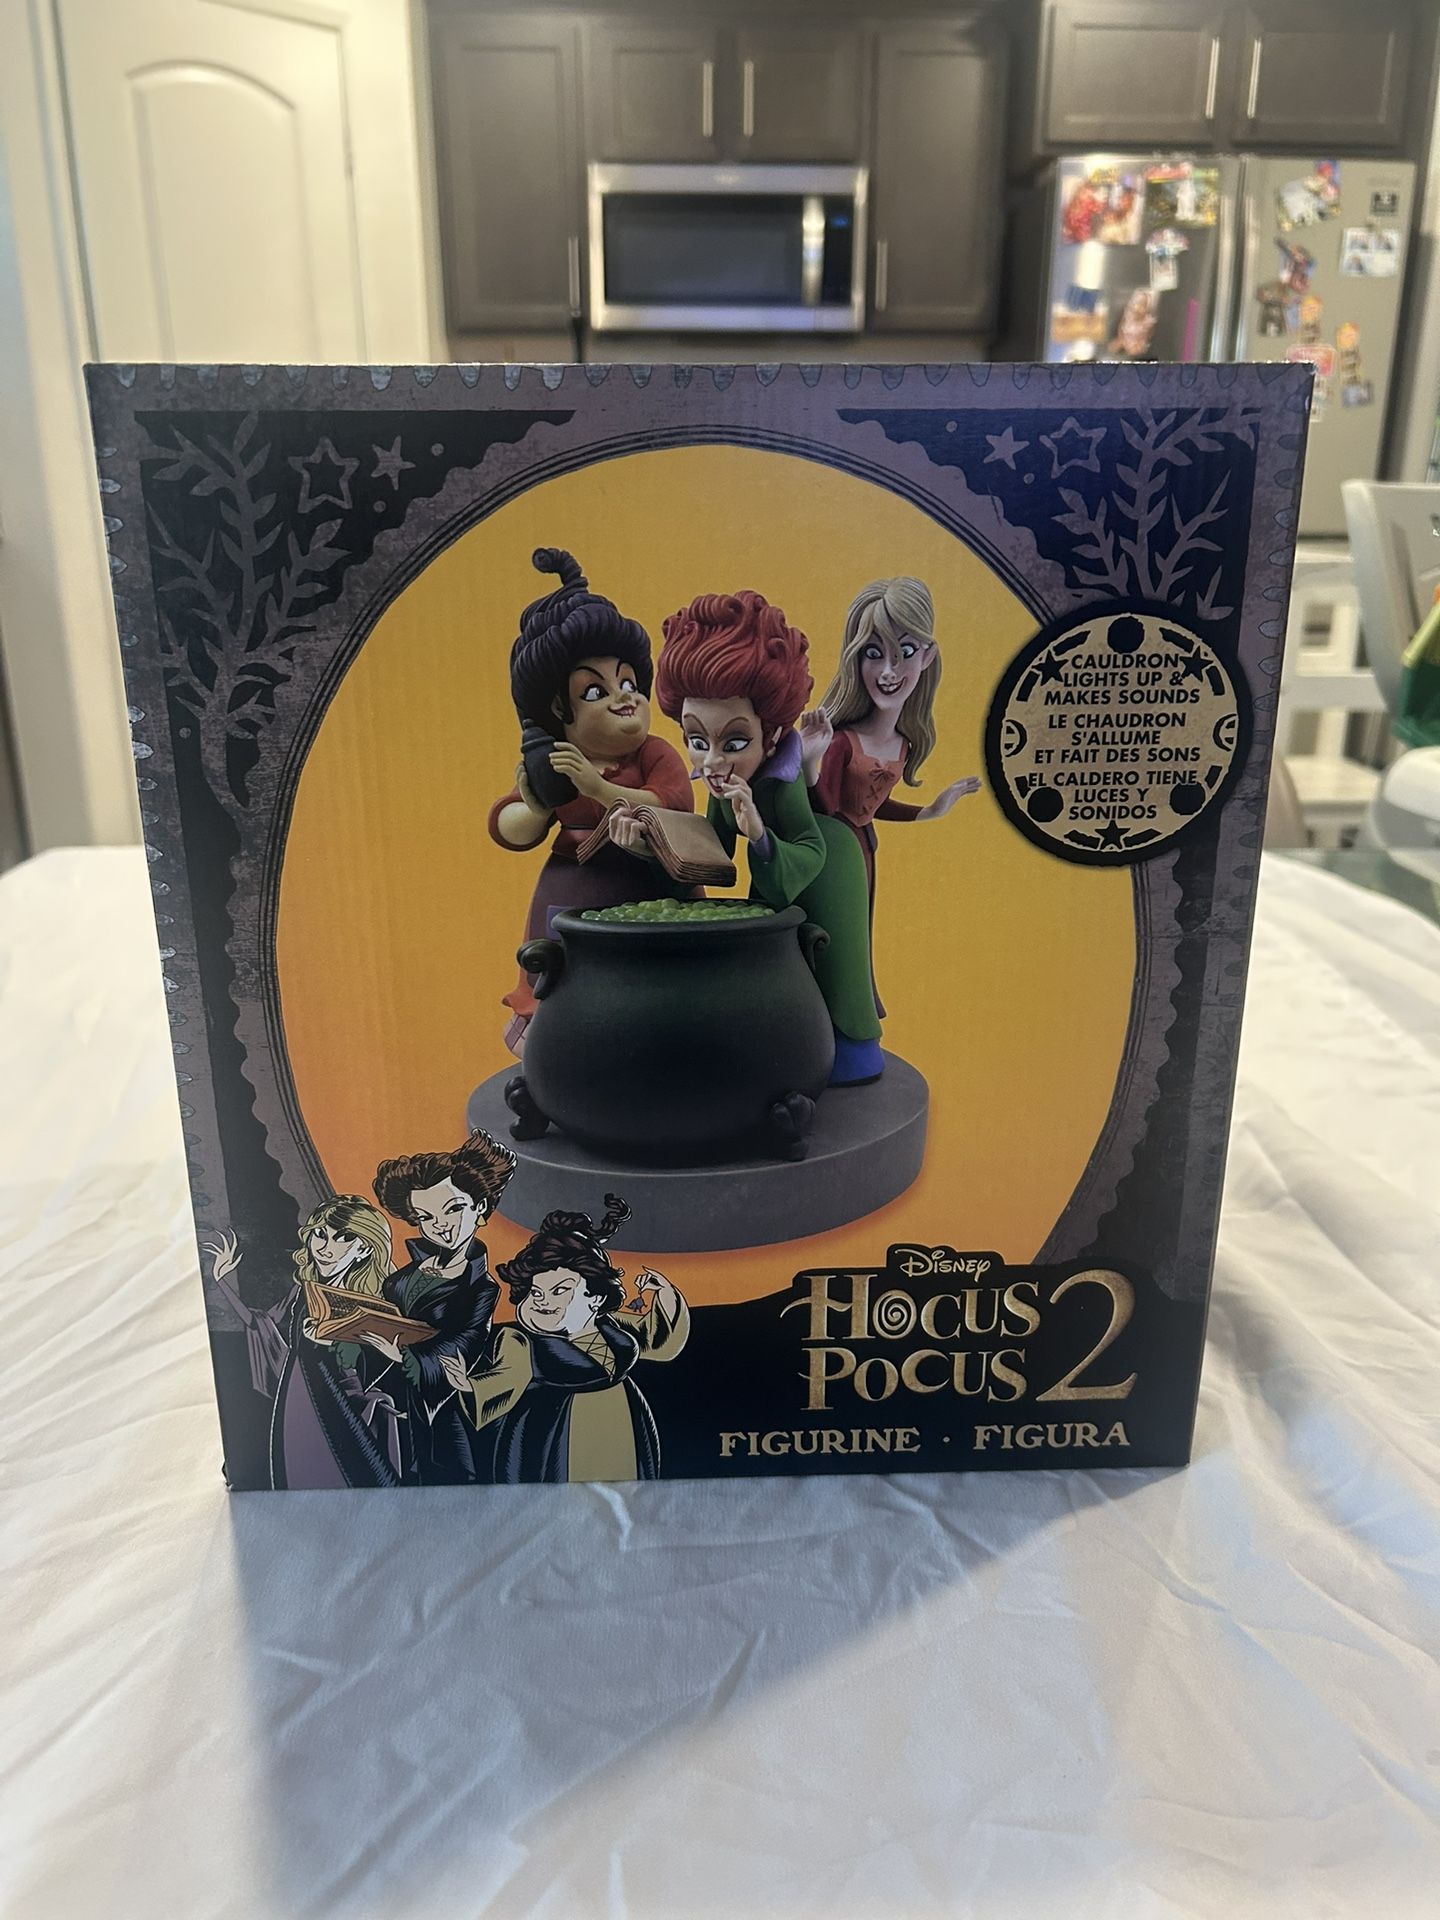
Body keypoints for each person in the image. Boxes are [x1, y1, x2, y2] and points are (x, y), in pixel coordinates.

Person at [631, 587, 882, 1083]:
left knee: (836, 965)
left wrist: (760, 833)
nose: (712, 761)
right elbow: (715, 849)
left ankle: (853, 1052)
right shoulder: (722, 781)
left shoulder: (783, 783)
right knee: (774, 964)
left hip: (827, 864)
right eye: (696, 740)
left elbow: (809, 846)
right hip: (778, 875)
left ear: (771, 736)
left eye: (734, 742)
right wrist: (649, 841)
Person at [488, 548, 696, 1053]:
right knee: (565, 997)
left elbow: (673, 806)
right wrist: (538, 806)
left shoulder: (655, 753)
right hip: (572, 896)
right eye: (596, 691)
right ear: (559, 711)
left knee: (660, 1004)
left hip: (653, 894)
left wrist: (600, 789)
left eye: (628, 682)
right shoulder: (560, 758)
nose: (624, 697)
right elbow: (507, 825)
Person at [798, 577, 980, 1021]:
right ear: (856, 658)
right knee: (834, 935)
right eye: (873, 653)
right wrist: (809, 762)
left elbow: (874, 806)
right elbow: (825, 808)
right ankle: (827, 1016)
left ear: (928, 656)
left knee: (858, 934)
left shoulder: (904, 744)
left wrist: (931, 810)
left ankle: (853, 1011)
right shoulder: (840, 741)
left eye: (905, 652)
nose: (888, 672)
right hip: (831, 856)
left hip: (865, 852)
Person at [441, 1197, 688, 1483]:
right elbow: (508, 1376)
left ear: (595, 1297)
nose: (543, 1301)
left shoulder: (611, 1326)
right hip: (554, 1435)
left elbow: (658, 1340)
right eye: (536, 1292)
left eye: (560, 1291)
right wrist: (470, 1385)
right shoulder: (522, 1342)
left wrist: (664, 1293)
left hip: (622, 1424)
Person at [203, 1197, 403, 1489]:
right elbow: (260, 1323)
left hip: (351, 1407)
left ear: (364, 1249)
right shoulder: (303, 1292)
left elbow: (384, 1361)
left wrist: (392, 1357)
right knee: (299, 1468)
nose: (326, 1248)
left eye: (343, 1239)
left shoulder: (372, 1303)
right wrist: (221, 1281)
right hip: (300, 1395)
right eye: (320, 1234)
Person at [361, 1128, 516, 1484]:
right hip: (388, 1397)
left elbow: (465, 1343)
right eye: (426, 1218)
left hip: (440, 1409)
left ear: (480, 1207)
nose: (441, 1226)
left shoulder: (481, 1288)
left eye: (454, 1209)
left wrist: (405, 1356)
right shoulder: (402, 1277)